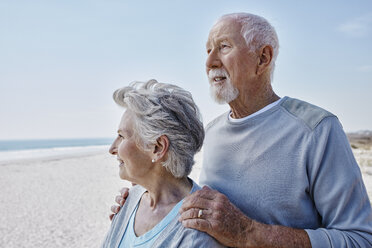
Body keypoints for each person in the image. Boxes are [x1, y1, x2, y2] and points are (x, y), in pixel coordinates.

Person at [111, 13, 372, 247]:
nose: (210, 61)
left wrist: (250, 233)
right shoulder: (211, 133)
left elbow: (360, 239)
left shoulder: (317, 130)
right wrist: (142, 205)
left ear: (263, 58)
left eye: (224, 47)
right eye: (208, 50)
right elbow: (191, 202)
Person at [102, 79, 224, 247]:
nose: (112, 148)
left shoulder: (195, 232)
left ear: (158, 147)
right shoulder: (129, 200)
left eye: (122, 136)